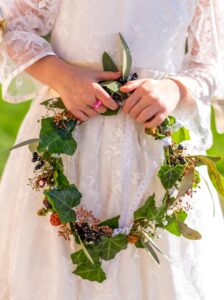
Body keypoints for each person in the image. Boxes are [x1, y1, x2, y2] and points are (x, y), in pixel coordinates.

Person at [0, 1, 224, 299]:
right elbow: (11, 26)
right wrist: (63, 78)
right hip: (70, 143)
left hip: (155, 153)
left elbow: (213, 60)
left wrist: (174, 89)